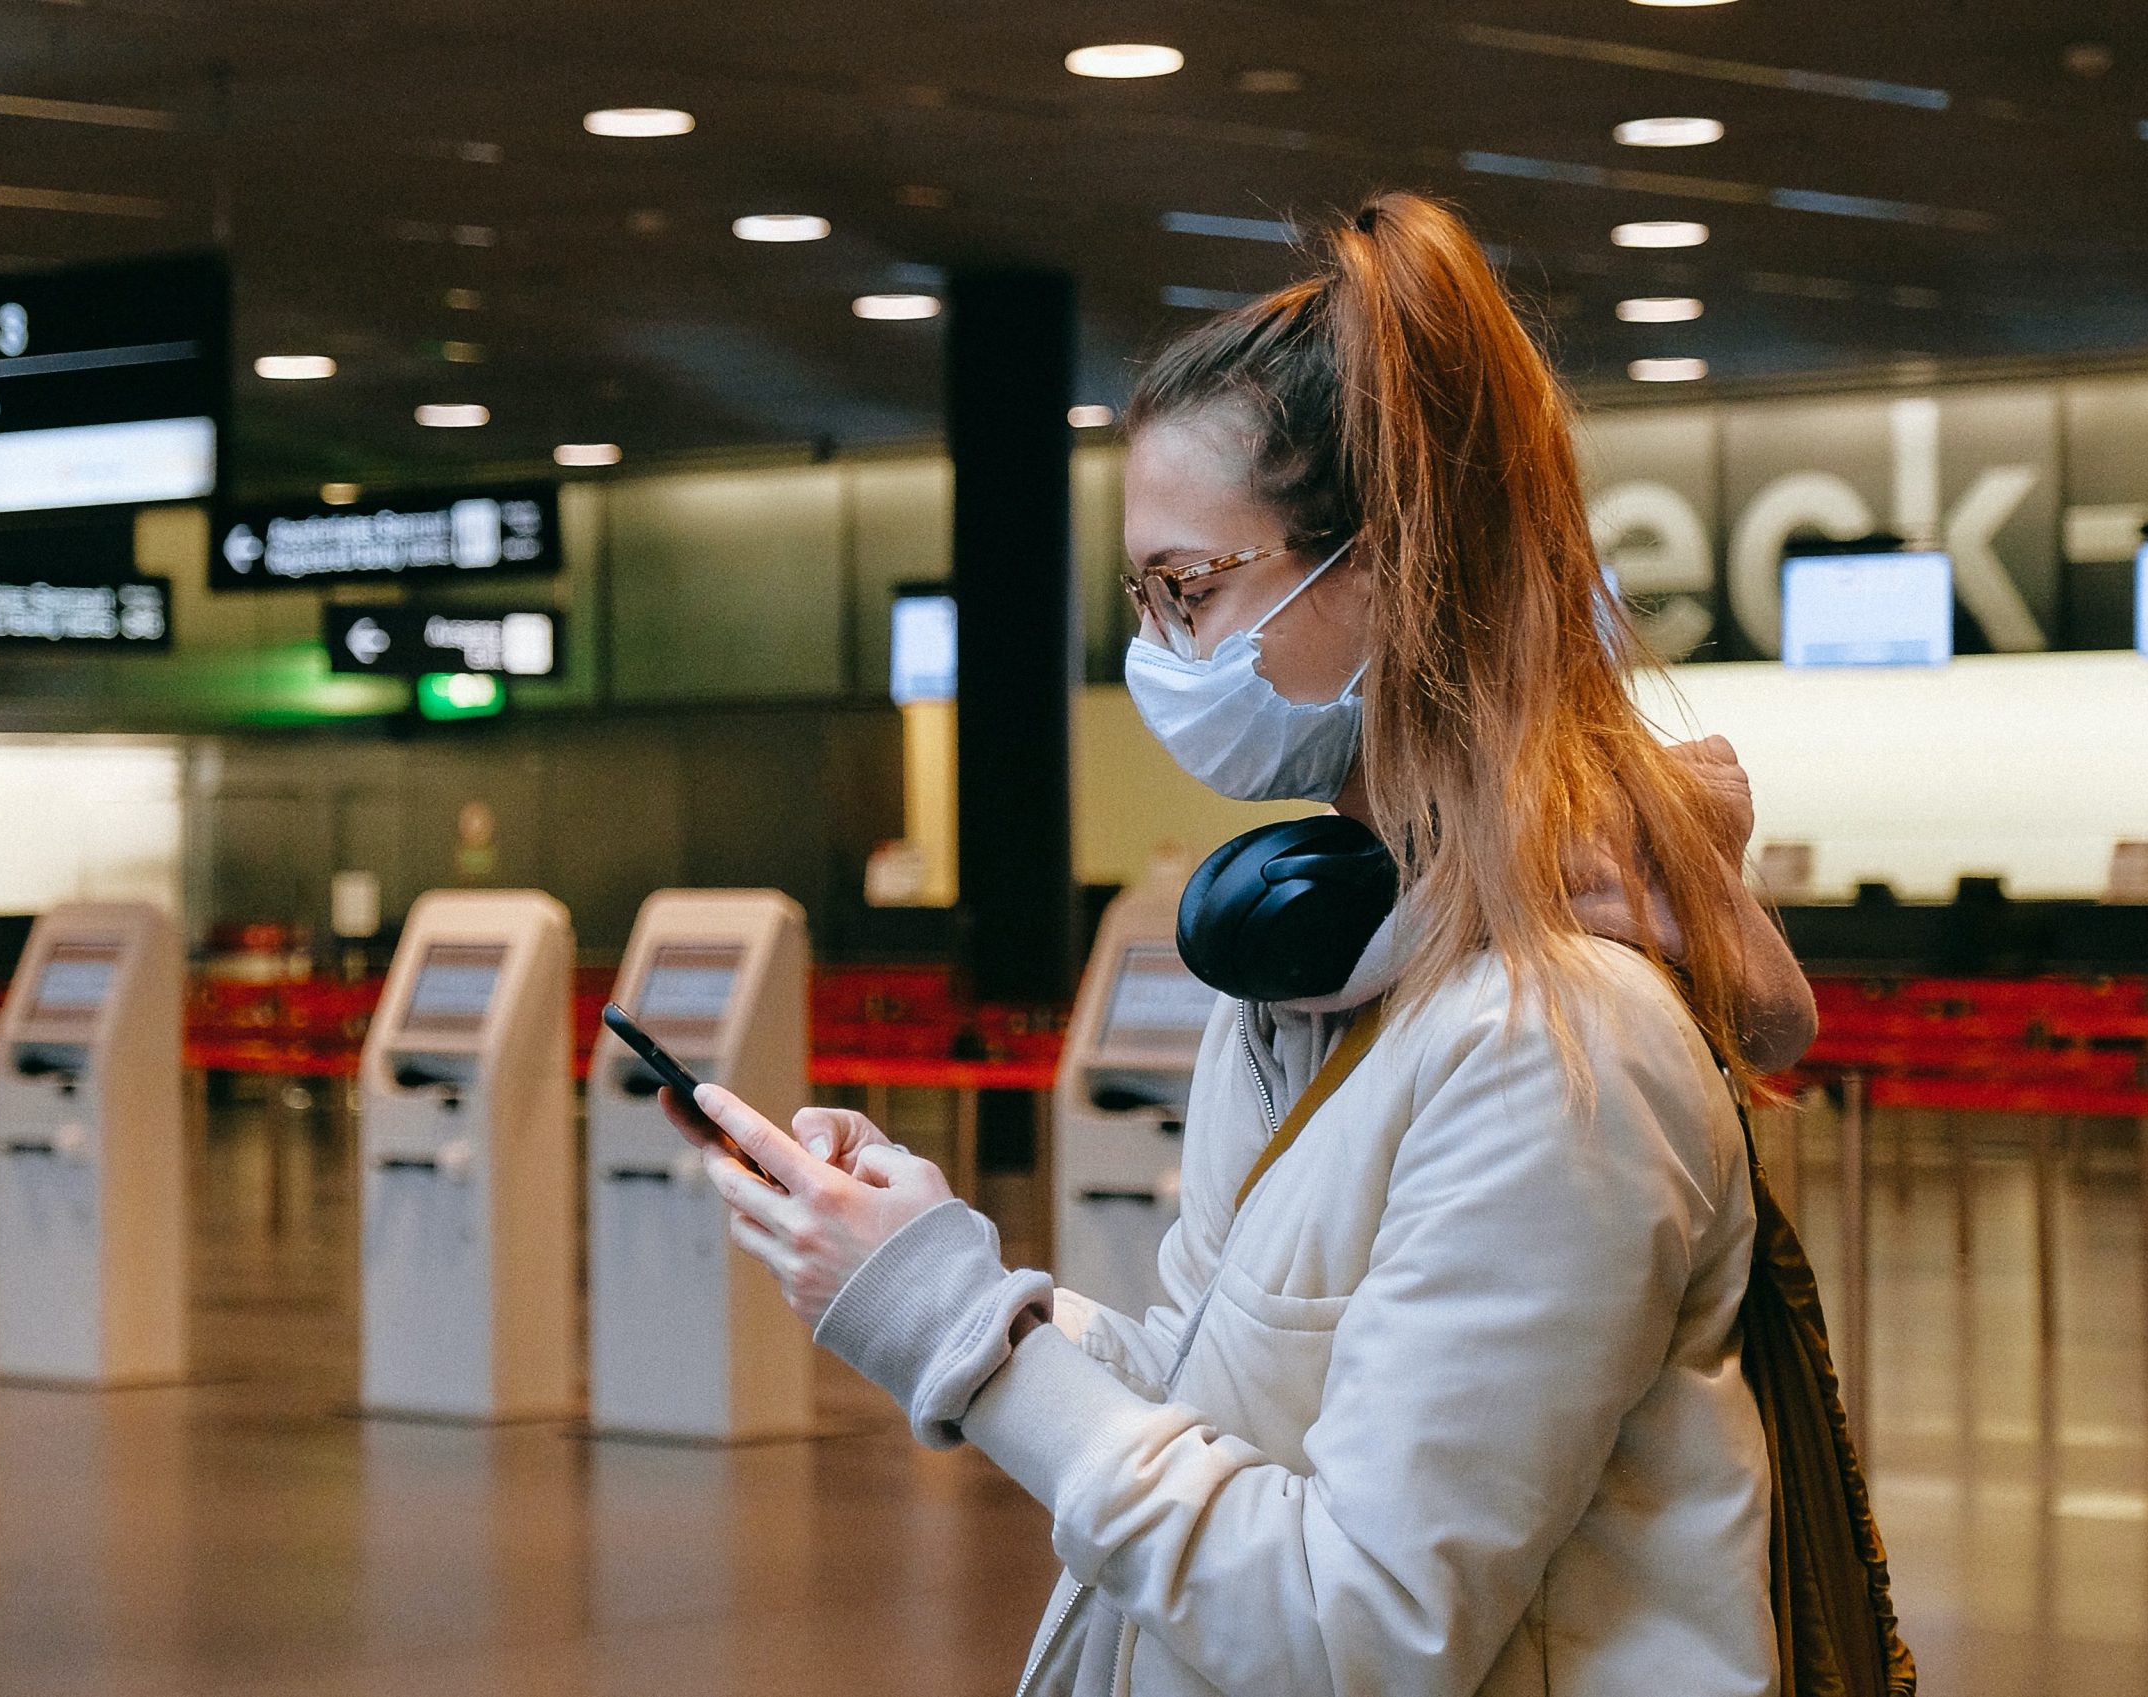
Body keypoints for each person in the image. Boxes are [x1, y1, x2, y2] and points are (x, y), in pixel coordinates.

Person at [667, 192, 1810, 1697]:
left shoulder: (1556, 1046)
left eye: (1189, 592)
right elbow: (1218, 1400)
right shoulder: (1311, 984)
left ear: (1388, 569)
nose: (1161, 653)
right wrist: (939, 1269)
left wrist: (965, 1339)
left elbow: (1361, 1631)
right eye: (1145, 600)